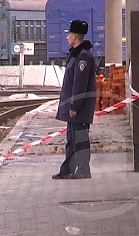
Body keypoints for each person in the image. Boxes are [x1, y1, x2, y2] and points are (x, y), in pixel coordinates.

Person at [52, 20, 96, 180]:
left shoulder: (83, 57)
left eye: (69, 34)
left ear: (75, 37)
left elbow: (80, 84)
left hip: (79, 109)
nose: (66, 37)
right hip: (75, 108)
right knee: (72, 139)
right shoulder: (76, 54)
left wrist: (74, 106)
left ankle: (84, 169)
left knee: (80, 139)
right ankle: (67, 169)